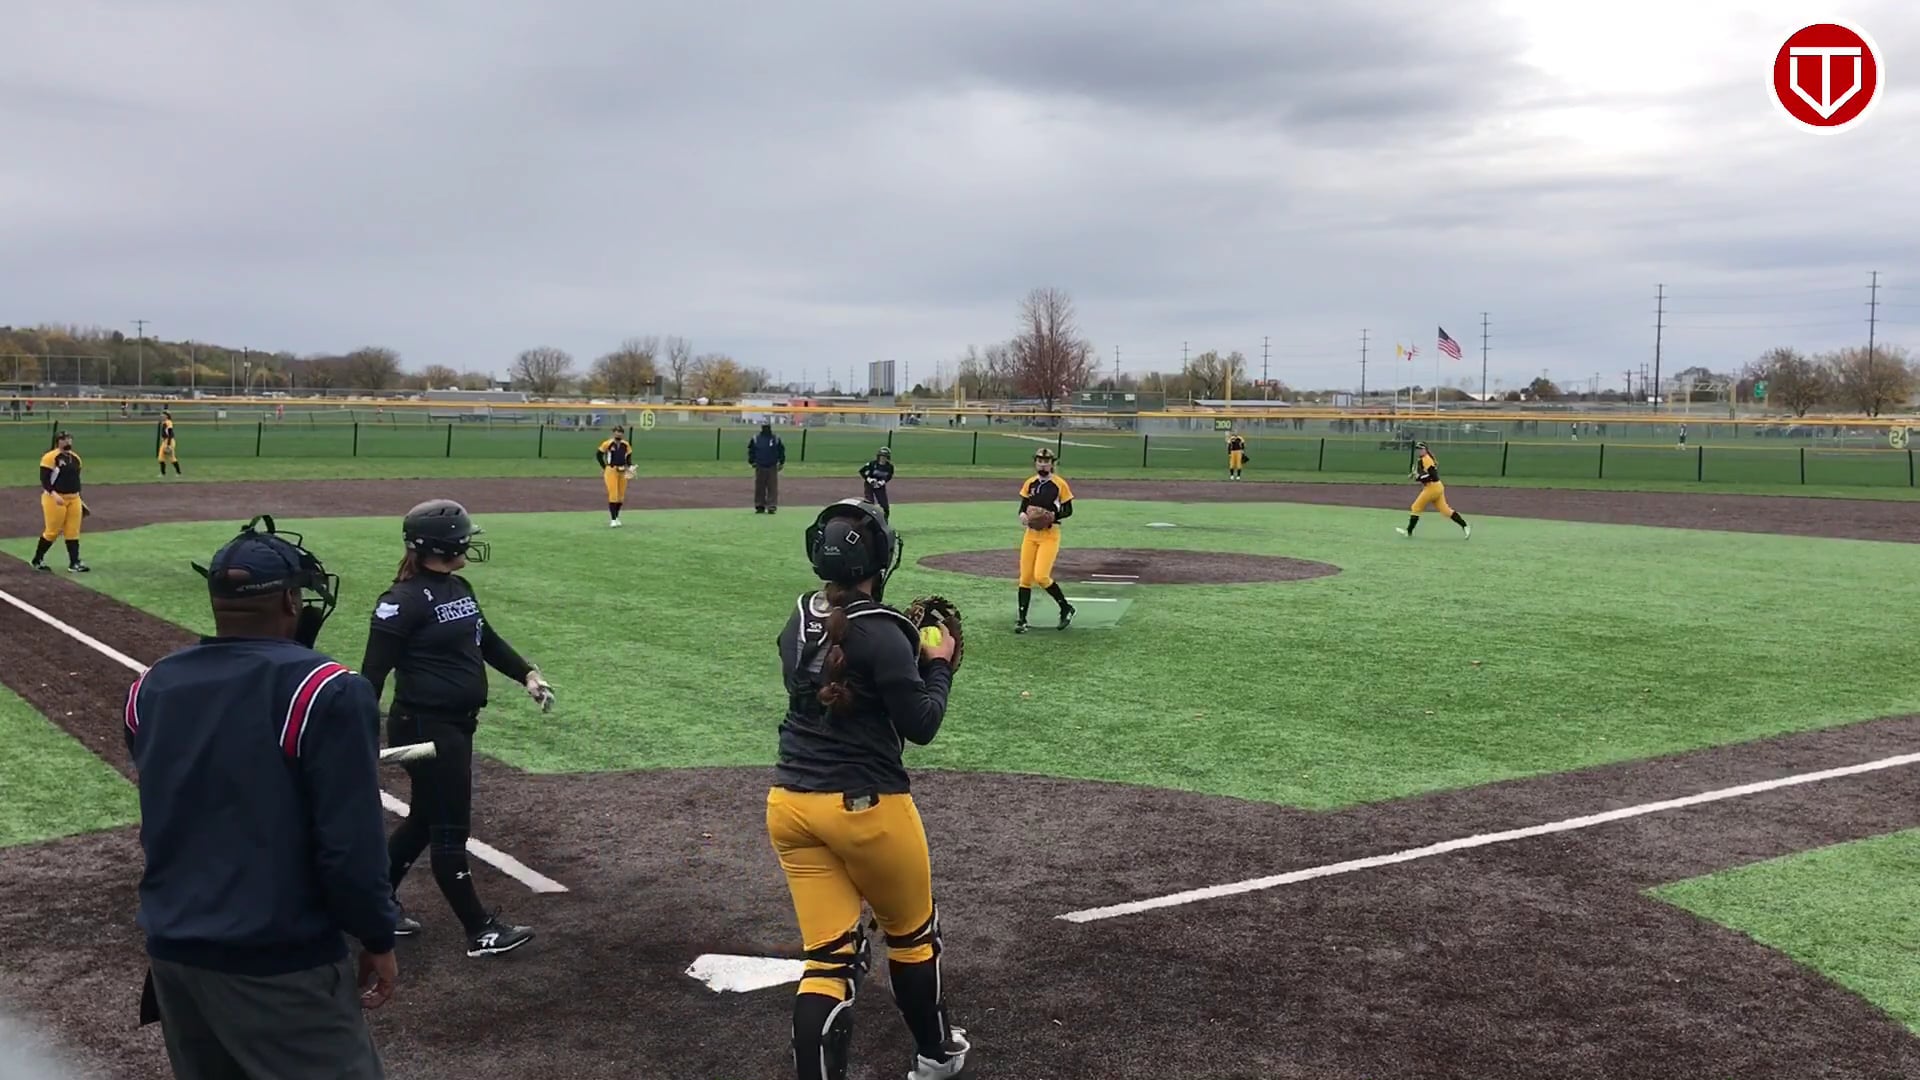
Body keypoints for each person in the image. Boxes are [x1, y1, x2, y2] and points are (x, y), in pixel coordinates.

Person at [124, 515, 396, 1079]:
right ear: (292, 601)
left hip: (175, 957)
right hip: (277, 963)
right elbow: (350, 848)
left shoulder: (149, 687)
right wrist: (376, 934)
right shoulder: (328, 690)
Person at [767, 498, 970, 1080]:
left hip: (790, 805)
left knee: (828, 964)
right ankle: (934, 1056)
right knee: (912, 936)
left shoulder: (798, 617)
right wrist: (937, 665)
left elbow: (838, 677)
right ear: (879, 560)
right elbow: (921, 724)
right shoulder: (884, 633)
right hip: (867, 807)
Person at [359, 499, 554, 957]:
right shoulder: (399, 603)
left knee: (425, 819)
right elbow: (371, 677)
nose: (470, 544)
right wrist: (360, 736)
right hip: (425, 729)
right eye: (464, 538)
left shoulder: (458, 588)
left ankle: (374, 904)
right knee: (449, 827)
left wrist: (526, 674)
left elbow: (486, 639)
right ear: (444, 546)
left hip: (454, 726)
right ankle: (479, 930)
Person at [1016, 447, 1075, 633]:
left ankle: (1065, 607)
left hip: (1050, 535)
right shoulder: (1030, 483)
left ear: (1052, 464)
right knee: (1025, 578)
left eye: (1046, 461)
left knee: (1041, 576)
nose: (1043, 464)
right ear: (1035, 463)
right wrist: (1022, 515)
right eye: (1040, 461)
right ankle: (1022, 620)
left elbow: (1068, 510)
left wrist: (1052, 515)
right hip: (1031, 535)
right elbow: (1023, 507)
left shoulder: (1059, 484)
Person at [32, 430, 88, 573]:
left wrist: (80, 499)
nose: (67, 441)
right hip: (55, 499)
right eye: (64, 439)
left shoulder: (75, 458)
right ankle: (37, 559)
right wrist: (54, 494)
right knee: (52, 531)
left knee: (73, 531)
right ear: (58, 441)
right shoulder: (50, 457)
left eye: (69, 439)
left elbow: (75, 480)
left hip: (74, 498)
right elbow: (45, 480)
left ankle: (74, 563)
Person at [1397, 442, 1470, 539]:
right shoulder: (1422, 459)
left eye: (1421, 449)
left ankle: (1408, 532)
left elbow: (1433, 476)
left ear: (1426, 450)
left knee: (1416, 507)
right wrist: (1415, 475)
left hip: (1432, 488)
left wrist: (1419, 478)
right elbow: (1422, 473)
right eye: (1418, 449)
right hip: (1437, 487)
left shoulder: (1426, 459)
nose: (1419, 451)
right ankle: (1465, 526)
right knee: (1445, 511)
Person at [595, 424, 635, 527]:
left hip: (622, 470)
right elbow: (599, 455)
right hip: (611, 470)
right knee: (613, 494)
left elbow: (628, 458)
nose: (618, 434)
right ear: (613, 433)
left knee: (621, 496)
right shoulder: (608, 443)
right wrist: (604, 467)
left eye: (620, 432)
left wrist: (630, 467)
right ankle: (613, 519)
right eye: (617, 432)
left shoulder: (626, 445)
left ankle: (617, 516)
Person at [749, 421, 787, 514]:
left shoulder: (775, 439)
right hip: (760, 465)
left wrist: (781, 462)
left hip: (772, 465)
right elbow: (751, 450)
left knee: (772, 487)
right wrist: (752, 461)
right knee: (759, 487)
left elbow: (781, 451)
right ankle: (760, 505)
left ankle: (771, 506)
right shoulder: (756, 439)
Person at [858, 446, 894, 515]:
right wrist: (869, 479)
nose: (883, 458)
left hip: (880, 485)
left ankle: (885, 518)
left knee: (884, 505)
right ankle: (869, 517)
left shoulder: (889, 467)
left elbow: (889, 476)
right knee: (870, 503)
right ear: (879, 456)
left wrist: (882, 482)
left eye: (885, 456)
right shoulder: (872, 464)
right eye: (881, 456)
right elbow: (862, 471)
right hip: (869, 485)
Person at [158, 409, 182, 476]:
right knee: (161, 458)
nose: (162, 416)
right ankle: (162, 473)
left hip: (169, 441)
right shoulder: (165, 422)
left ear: (167, 415)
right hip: (165, 441)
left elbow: (170, 433)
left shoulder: (168, 422)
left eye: (163, 414)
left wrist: (168, 445)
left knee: (172, 458)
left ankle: (178, 472)